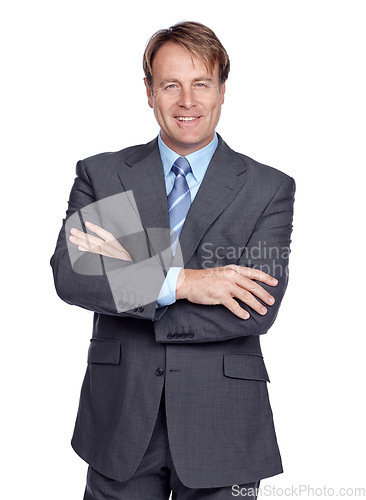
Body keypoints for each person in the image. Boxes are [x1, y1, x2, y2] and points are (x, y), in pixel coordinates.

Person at [50, 21, 295, 500]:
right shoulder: (105, 175)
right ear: (149, 92)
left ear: (223, 90)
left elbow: (258, 306)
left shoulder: (267, 188)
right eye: (171, 85)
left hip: (222, 424)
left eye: (201, 83)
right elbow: (72, 276)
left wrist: (128, 268)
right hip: (120, 421)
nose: (188, 101)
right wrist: (186, 282)